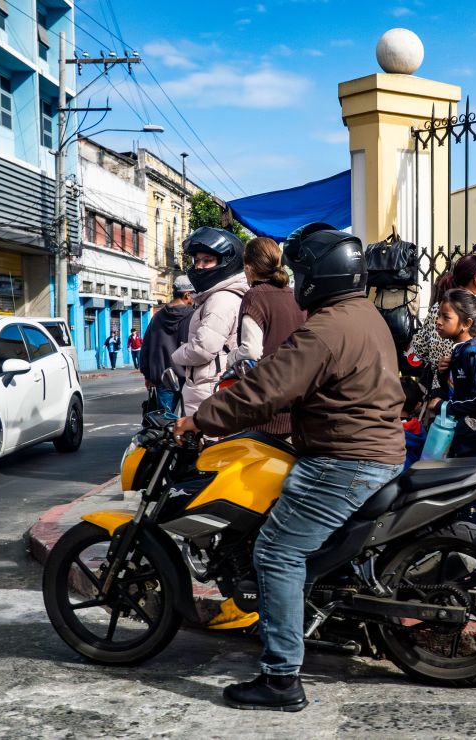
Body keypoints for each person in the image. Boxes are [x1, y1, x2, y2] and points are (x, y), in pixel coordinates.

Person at [173, 224, 405, 712]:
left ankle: (281, 680)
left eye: (303, 271)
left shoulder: (325, 329)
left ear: (321, 275)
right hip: (367, 450)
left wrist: (200, 418)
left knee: (276, 551)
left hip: (346, 458)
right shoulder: (362, 313)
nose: (297, 280)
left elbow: (267, 390)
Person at [225, 237, 308, 436]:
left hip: (265, 410)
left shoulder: (254, 296)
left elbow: (251, 351)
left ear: (248, 268)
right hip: (298, 406)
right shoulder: (296, 295)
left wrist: (230, 357)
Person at [170, 227, 250, 415]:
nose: (199, 266)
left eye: (207, 260)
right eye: (197, 260)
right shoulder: (216, 297)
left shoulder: (220, 299)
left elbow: (202, 349)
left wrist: (177, 354)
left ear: (227, 262)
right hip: (209, 386)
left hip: (209, 388)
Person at [409, 254, 476, 395]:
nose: (439, 322)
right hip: (466, 391)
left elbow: (419, 347)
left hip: (440, 390)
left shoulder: (439, 306)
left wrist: (437, 362)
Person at [435, 288, 476, 457]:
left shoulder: (473, 355)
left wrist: (444, 406)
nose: (438, 321)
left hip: (473, 439)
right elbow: (458, 390)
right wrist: (443, 373)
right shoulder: (459, 351)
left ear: (466, 324)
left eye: (446, 317)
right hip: (461, 432)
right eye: (439, 315)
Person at [139, 276, 196, 412]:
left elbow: (146, 347)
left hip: (163, 377)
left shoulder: (157, 317)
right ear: (187, 294)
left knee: (164, 422)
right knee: (189, 424)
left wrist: (147, 375)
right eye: (194, 294)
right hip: (189, 377)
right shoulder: (193, 316)